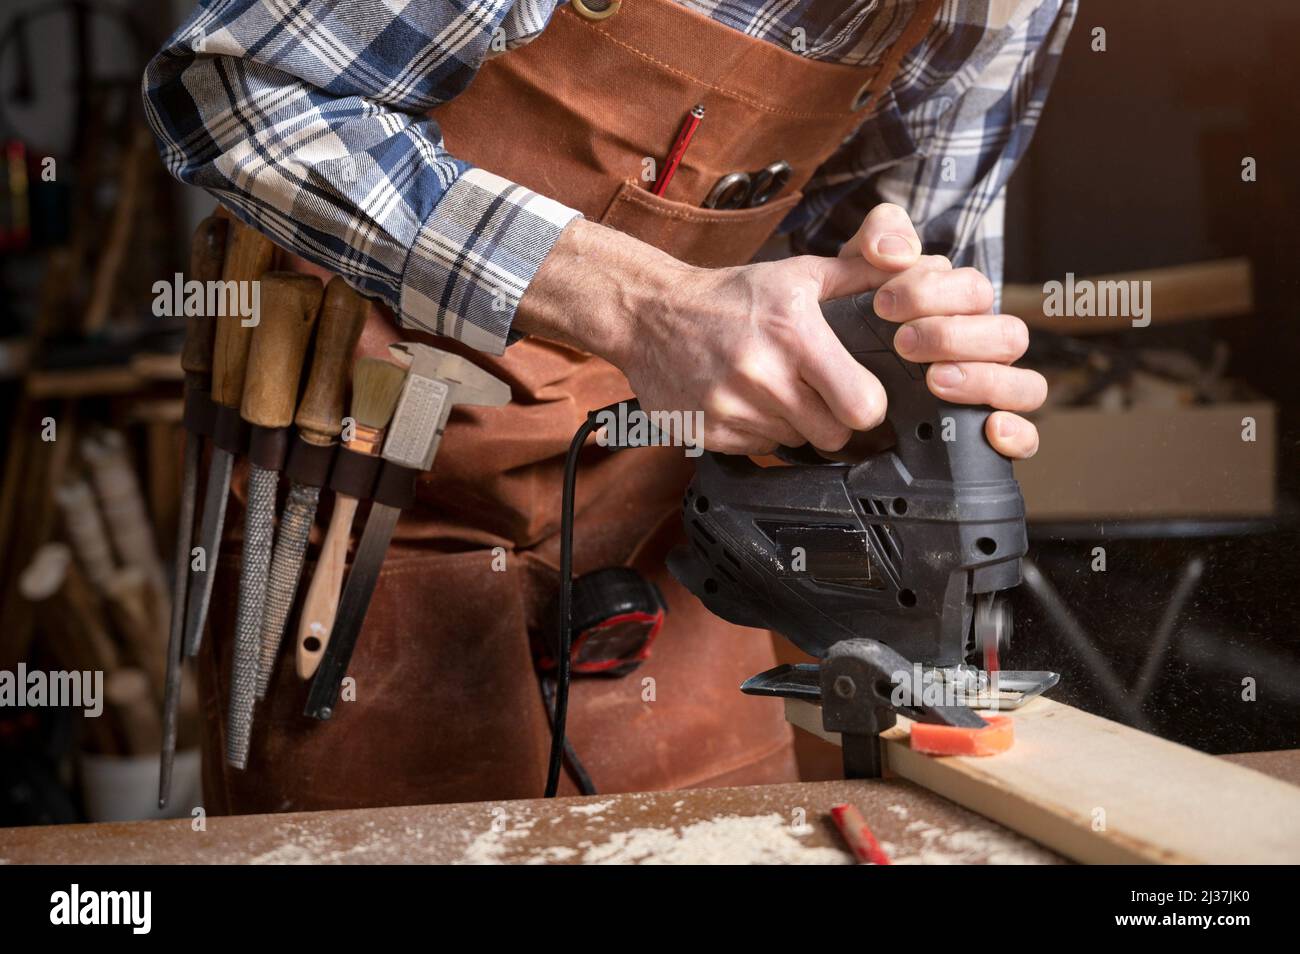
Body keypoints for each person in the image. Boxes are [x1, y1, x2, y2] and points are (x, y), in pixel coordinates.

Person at [143, 0, 1075, 812]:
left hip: (672, 500)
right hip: (364, 459)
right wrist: (643, 306)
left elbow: (891, 259)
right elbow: (238, 94)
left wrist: (915, 381)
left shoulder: (1003, 5)